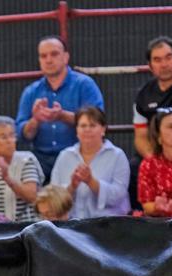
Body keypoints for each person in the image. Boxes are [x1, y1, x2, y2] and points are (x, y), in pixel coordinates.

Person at [15, 36, 105, 179]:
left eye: (54, 54)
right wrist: (35, 120)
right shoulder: (31, 92)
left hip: (79, 156)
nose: (49, 60)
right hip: (40, 160)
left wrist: (62, 116)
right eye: (43, 56)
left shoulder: (85, 85)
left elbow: (97, 122)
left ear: (66, 57)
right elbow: (22, 136)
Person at [49, 106, 132, 219]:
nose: (87, 129)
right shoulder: (65, 156)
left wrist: (91, 182)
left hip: (109, 224)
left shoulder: (117, 156)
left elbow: (118, 197)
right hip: (71, 226)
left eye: (92, 125)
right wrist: (72, 186)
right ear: (76, 130)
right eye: (83, 125)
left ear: (103, 129)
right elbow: (53, 198)